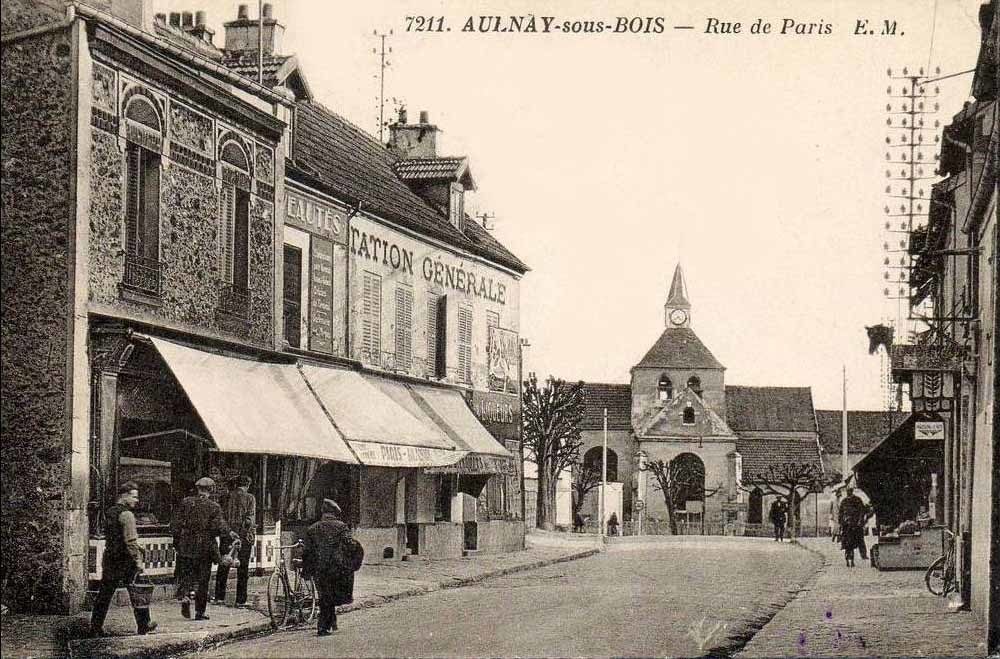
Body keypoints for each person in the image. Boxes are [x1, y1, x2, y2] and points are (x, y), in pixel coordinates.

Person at [90, 482, 158, 637]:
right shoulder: (127, 515)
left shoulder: (110, 512)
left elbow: (116, 536)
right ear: (124, 495)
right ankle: (144, 624)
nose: (136, 500)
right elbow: (130, 541)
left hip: (111, 558)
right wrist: (139, 562)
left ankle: (95, 627)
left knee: (104, 595)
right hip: (125, 560)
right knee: (138, 592)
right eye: (134, 496)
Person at [172, 477, 231, 620]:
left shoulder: (186, 502)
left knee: (186, 575)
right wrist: (228, 532)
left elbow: (175, 525)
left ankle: (185, 597)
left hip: (186, 546)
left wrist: (178, 543)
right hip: (204, 548)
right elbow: (217, 528)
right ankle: (200, 612)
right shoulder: (214, 507)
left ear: (197, 488)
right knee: (203, 580)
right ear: (211, 490)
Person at [302, 499, 360, 636]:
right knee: (330, 595)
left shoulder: (312, 528)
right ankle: (323, 626)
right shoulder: (341, 527)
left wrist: (307, 569)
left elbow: (307, 552)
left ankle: (330, 622)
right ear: (335, 513)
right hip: (336, 567)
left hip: (319, 568)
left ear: (323, 512)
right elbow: (350, 545)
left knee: (324, 595)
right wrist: (353, 559)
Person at [214, 475, 256, 608]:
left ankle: (219, 597)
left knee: (223, 566)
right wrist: (241, 534)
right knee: (243, 569)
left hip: (227, 536)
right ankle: (240, 601)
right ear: (247, 485)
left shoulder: (224, 498)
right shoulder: (250, 498)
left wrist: (229, 532)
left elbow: (220, 519)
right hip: (243, 538)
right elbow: (249, 520)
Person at [838, 487, 868, 567]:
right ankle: (848, 556)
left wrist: (860, 521)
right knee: (847, 540)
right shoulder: (844, 501)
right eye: (847, 491)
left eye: (849, 491)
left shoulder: (857, 500)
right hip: (847, 524)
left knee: (860, 539)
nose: (848, 492)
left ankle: (863, 554)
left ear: (852, 491)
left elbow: (862, 511)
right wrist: (841, 523)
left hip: (855, 524)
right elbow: (840, 513)